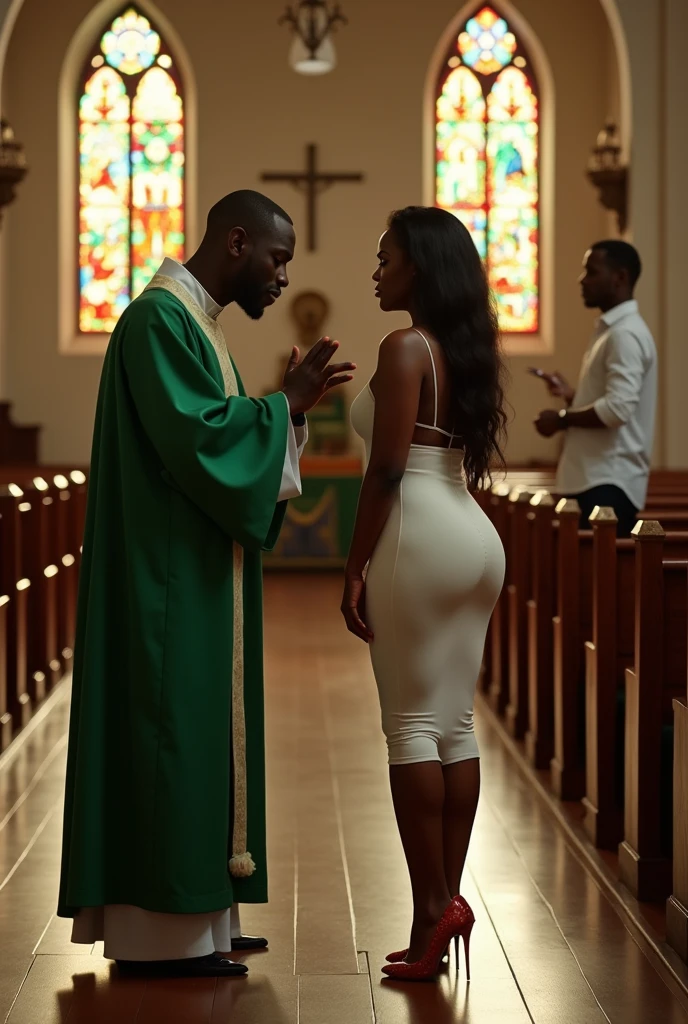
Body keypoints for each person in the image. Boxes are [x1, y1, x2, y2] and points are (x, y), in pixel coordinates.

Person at [57, 190, 355, 977]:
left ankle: (203, 919)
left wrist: (283, 416)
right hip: (164, 580)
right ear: (235, 242)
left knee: (196, 734)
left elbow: (219, 436)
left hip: (192, 567)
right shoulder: (159, 321)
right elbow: (197, 438)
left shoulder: (198, 327)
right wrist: (282, 407)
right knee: (172, 731)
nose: (283, 278)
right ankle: (163, 928)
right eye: (276, 258)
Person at [342, 206, 507, 981]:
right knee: (453, 724)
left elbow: (385, 470)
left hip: (418, 534)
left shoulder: (406, 346)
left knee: (410, 727)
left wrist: (354, 564)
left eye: (387, 259)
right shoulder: (460, 349)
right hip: (473, 538)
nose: (377, 271)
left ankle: (435, 905)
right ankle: (436, 910)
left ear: (421, 267)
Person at [534, 241, 657, 537]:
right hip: (595, 479)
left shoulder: (624, 334)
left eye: (591, 271)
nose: (582, 279)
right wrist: (574, 397)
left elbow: (617, 410)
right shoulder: (613, 331)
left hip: (607, 484)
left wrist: (561, 419)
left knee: (596, 581)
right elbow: (614, 401)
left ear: (620, 277)